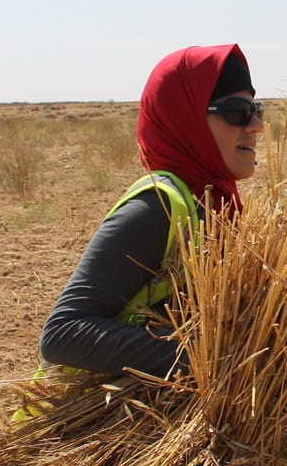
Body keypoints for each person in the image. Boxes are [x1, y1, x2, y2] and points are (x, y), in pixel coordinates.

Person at [37, 44, 263, 386]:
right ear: (183, 118)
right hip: (93, 431)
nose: (257, 125)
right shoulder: (157, 208)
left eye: (256, 109)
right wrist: (207, 360)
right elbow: (62, 334)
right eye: (237, 111)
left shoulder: (212, 200)